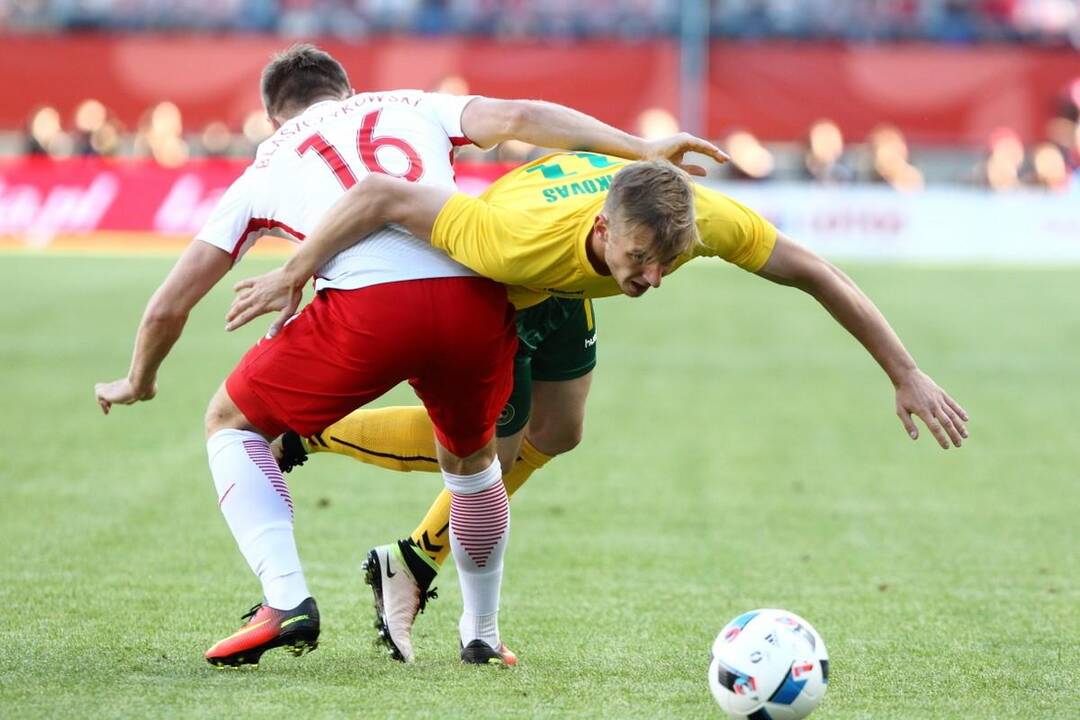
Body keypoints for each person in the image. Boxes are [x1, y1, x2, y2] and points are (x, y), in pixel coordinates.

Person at [93, 46, 726, 667]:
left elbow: (169, 307)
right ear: (346, 92)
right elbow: (520, 116)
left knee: (230, 423)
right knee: (477, 469)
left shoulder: (267, 163)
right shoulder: (409, 105)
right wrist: (641, 148)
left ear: (271, 118)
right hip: (474, 298)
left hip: (367, 313)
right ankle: (480, 631)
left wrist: (137, 379)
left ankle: (285, 600)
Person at [226, 150, 970, 665]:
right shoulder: (509, 238)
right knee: (489, 455)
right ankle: (323, 445)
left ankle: (410, 559)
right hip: (494, 300)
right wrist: (298, 271)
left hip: (565, 288)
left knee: (563, 431)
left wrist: (904, 372)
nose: (652, 278)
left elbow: (815, 270)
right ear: (605, 229)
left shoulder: (693, 219)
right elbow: (382, 196)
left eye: (668, 263)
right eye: (640, 261)